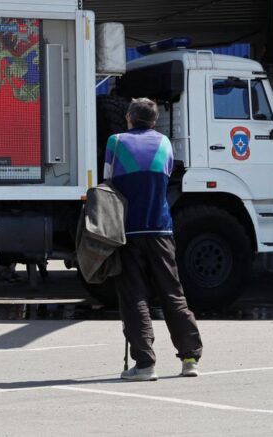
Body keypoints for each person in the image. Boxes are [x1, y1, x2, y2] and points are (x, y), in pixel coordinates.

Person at [105, 98, 203, 381]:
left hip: (129, 230)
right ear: (153, 120)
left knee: (134, 296)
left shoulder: (116, 141)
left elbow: (108, 183)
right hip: (161, 228)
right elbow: (164, 176)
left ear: (129, 118)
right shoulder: (165, 143)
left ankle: (145, 364)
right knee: (173, 293)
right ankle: (189, 359)